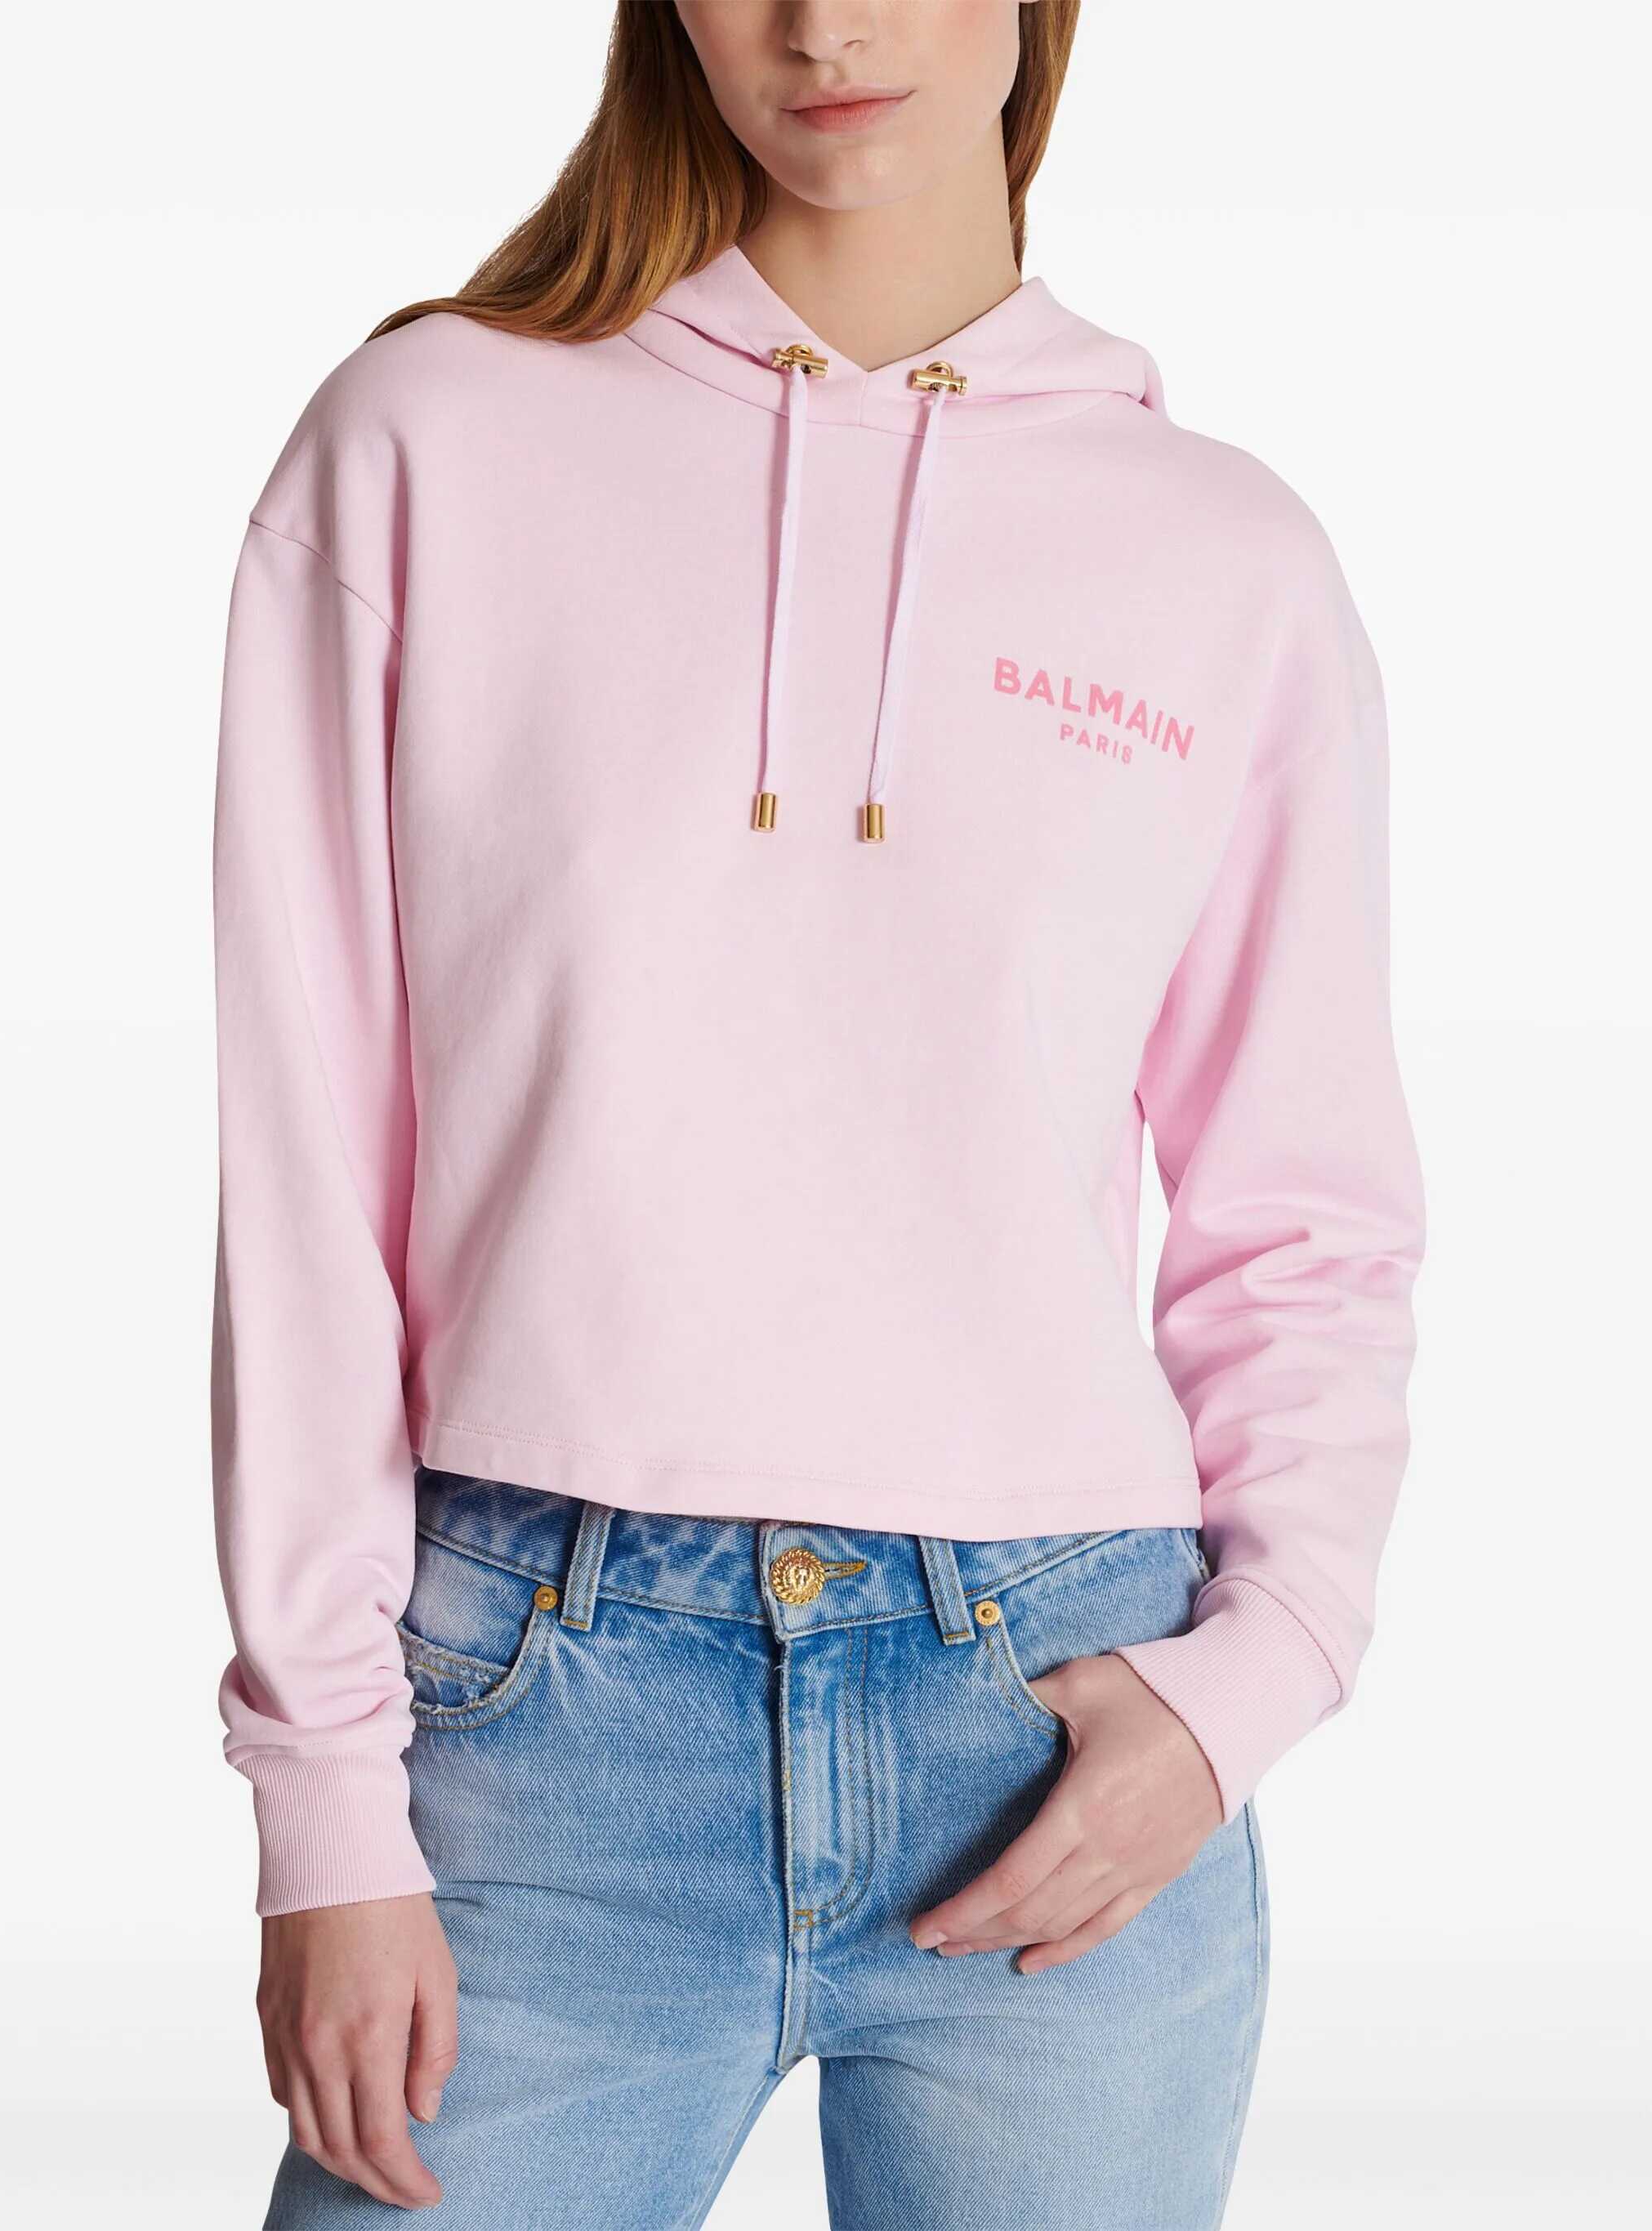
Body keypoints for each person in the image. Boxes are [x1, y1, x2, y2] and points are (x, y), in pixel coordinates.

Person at [209, 3, 1424, 2223]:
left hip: (1064, 1724)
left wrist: (1250, 1685)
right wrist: (322, 1797)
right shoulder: (426, 445)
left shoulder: (1222, 556)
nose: (824, 23)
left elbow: (1305, 1214)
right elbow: (308, 1166)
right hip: (528, 1732)